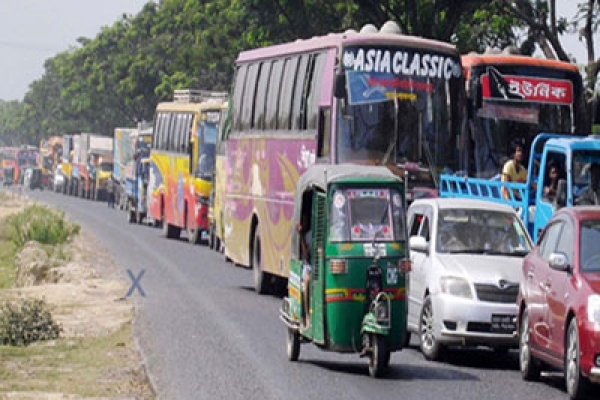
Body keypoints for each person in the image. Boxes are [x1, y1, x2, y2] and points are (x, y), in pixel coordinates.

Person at [297, 210, 312, 329]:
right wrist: (301, 235)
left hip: (318, 266)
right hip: (309, 266)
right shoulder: (307, 236)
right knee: (306, 282)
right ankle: (307, 316)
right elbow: (306, 255)